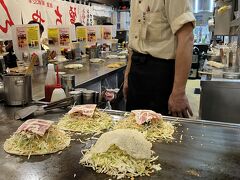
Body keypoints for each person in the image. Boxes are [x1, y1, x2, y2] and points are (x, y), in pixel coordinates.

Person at [123, 1, 196, 118]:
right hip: (136, 71)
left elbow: (187, 38)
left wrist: (179, 92)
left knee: (162, 131)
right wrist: (127, 74)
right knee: (133, 128)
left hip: (160, 74)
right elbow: (135, 40)